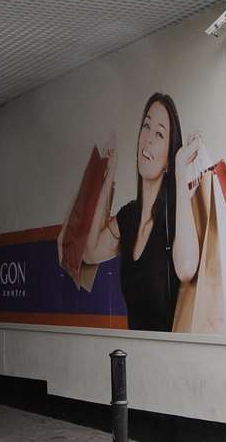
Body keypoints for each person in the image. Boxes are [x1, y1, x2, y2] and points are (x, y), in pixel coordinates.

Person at [80, 92, 207, 332]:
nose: (147, 139)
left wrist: (180, 169)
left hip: (173, 362)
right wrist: (110, 172)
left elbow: (187, 267)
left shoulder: (176, 216)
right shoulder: (129, 217)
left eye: (159, 134)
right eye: (146, 127)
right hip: (137, 358)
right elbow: (89, 251)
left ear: (168, 159)